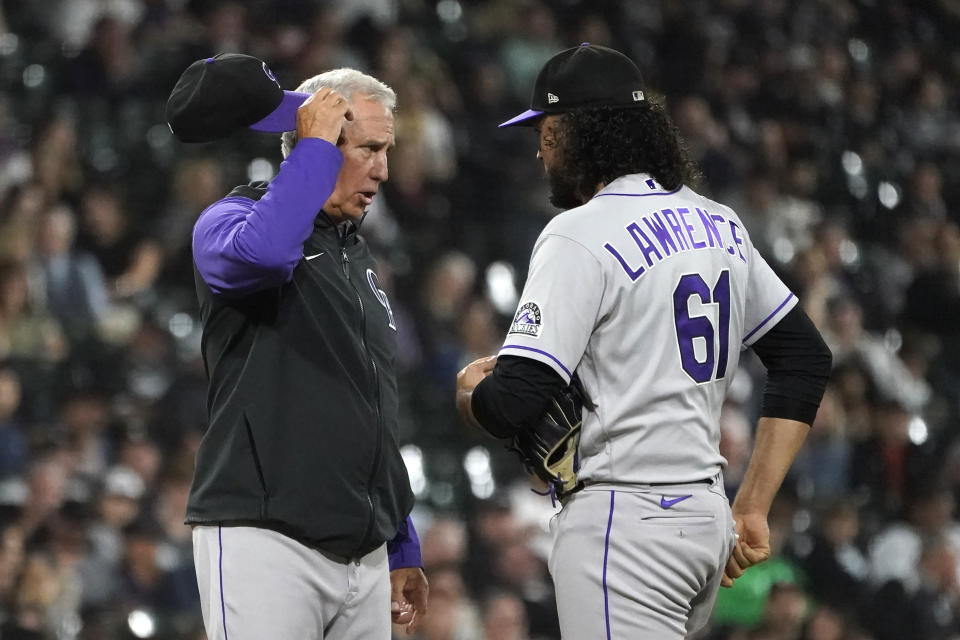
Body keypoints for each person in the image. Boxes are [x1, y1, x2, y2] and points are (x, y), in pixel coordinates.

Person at [455, 44, 831, 639]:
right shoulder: (719, 223)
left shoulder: (577, 234)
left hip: (624, 525)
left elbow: (514, 402)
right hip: (706, 520)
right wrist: (752, 505)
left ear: (585, 133)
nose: (539, 149)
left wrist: (470, 393)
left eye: (549, 133)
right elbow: (805, 357)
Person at [166, 54, 428, 639]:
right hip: (265, 538)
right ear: (318, 140)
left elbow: (377, 408)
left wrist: (400, 540)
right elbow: (265, 255)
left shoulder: (356, 258)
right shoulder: (229, 218)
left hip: (362, 556)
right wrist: (312, 148)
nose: (383, 171)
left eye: (387, 151)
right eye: (367, 148)